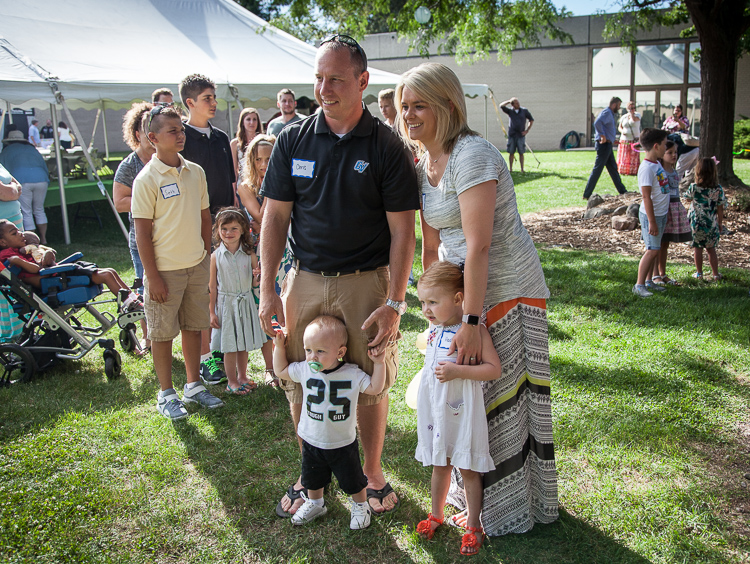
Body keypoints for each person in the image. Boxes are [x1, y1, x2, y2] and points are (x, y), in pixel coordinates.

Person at [259, 34, 418, 518]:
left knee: (369, 378)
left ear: (363, 81)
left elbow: (403, 233)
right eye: (318, 77)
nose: (324, 88)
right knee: (299, 377)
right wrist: (268, 288)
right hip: (304, 278)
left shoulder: (387, 145)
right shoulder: (293, 138)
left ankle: (370, 473)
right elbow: (274, 217)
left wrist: (394, 302)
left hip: (365, 281)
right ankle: (313, 479)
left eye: (336, 79)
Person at [397, 62, 558, 536]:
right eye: (404, 107)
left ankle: (511, 509)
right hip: (460, 296)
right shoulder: (425, 163)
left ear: (448, 105)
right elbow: (433, 246)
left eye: (419, 104)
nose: (409, 115)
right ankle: (473, 501)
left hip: (506, 290)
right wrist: (433, 309)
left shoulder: (473, 156)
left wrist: (471, 319)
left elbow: (479, 245)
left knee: (503, 401)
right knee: (468, 401)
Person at [132, 105, 224, 420]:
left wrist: (204, 253)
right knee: (161, 333)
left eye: (180, 129)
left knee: (194, 326)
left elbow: (204, 217)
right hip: (164, 271)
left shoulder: (195, 171)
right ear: (153, 138)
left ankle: (194, 386)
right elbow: (141, 233)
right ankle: (166, 394)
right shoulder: (146, 179)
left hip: (195, 265)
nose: (180, 134)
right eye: (173, 131)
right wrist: (152, 276)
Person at [414, 262, 501, 556]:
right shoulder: (433, 330)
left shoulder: (474, 334)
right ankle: (436, 514)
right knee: (441, 464)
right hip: (436, 411)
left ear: (458, 299)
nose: (426, 309)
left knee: (467, 466)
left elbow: (493, 370)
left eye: (432, 302)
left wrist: (458, 372)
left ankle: (474, 524)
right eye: (423, 302)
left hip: (462, 411)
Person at [272, 315, 386, 530]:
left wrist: (379, 364)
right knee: (312, 479)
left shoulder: (352, 373)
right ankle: (316, 503)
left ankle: (361, 506)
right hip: (311, 440)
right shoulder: (305, 370)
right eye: (308, 350)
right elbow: (281, 371)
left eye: (320, 351)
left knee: (353, 480)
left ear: (340, 352)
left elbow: (374, 388)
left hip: (342, 442)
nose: (312, 357)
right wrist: (279, 348)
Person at [178, 73, 236, 386]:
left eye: (214, 97)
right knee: (202, 294)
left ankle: (222, 351)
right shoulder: (181, 139)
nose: (214, 103)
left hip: (226, 227)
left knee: (223, 293)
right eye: (207, 99)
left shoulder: (222, 138)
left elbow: (231, 184)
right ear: (190, 103)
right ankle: (204, 359)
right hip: (195, 229)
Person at [237, 133, 289, 388]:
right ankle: (270, 368)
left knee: (287, 302)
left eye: (269, 158)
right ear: (251, 160)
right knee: (265, 305)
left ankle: (288, 361)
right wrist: (273, 185)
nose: (263, 163)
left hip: (287, 248)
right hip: (258, 253)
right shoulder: (245, 186)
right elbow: (261, 214)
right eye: (258, 159)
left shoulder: (285, 177)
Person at [0, 219, 143, 311]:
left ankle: (133, 299)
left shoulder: (21, 249)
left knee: (110, 270)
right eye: (14, 233)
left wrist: (44, 251)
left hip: (55, 275)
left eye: (19, 230)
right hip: (52, 281)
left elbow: (45, 256)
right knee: (105, 275)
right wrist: (18, 260)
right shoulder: (9, 255)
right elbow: (36, 269)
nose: (20, 234)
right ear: (3, 242)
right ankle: (130, 304)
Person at [209, 207, 265, 395]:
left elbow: (253, 283)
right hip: (227, 305)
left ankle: (242, 376)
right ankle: (231, 381)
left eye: (234, 229)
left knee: (243, 342)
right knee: (230, 345)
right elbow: (212, 287)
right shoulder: (216, 256)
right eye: (224, 229)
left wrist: (257, 277)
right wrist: (211, 311)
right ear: (217, 230)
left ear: (243, 230)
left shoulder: (249, 254)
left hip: (245, 301)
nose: (228, 233)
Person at [113, 101, 154, 353]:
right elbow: (119, 202)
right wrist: (153, 201)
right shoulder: (130, 165)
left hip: (171, 236)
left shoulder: (171, 159)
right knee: (146, 288)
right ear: (137, 134)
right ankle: (149, 341)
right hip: (143, 237)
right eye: (146, 127)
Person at [632, 128, 669, 298]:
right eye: (664, 144)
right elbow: (646, 197)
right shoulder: (646, 168)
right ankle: (639, 285)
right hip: (650, 216)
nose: (666, 146)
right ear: (656, 146)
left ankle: (648, 282)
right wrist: (652, 222)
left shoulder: (657, 164)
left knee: (654, 247)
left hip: (659, 214)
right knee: (652, 250)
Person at [652, 141, 691, 286]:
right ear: (662, 153)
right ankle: (655, 274)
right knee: (657, 243)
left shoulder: (674, 171)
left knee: (665, 243)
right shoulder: (659, 170)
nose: (674, 155)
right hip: (663, 209)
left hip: (673, 209)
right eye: (670, 152)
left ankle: (663, 273)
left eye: (676, 152)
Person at [0, 130, 50, 244]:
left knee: (26, 211)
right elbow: (44, 166)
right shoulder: (32, 149)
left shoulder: (6, 151)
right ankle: (43, 239)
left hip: (23, 180)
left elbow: (6, 174)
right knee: (39, 209)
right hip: (41, 178)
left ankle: (30, 242)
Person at [684, 157, 726, 282]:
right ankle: (715, 274)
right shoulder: (718, 189)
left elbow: (687, 198)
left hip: (696, 224)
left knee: (698, 249)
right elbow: (720, 207)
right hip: (711, 224)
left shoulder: (694, 187)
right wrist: (720, 223)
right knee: (711, 249)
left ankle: (699, 273)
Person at [583, 97, 628, 199]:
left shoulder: (610, 114)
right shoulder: (607, 112)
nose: (619, 108)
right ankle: (586, 194)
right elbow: (597, 122)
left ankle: (623, 191)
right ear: (614, 105)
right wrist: (602, 136)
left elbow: (605, 127)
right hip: (603, 146)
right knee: (598, 170)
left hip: (608, 145)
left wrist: (612, 139)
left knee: (613, 169)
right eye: (618, 105)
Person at [499, 97, 533, 173]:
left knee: (521, 152)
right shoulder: (510, 111)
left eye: (518, 102)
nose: (518, 104)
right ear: (513, 105)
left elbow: (531, 119)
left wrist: (527, 130)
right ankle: (510, 169)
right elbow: (501, 105)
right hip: (512, 134)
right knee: (511, 152)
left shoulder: (524, 111)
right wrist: (509, 101)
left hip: (520, 135)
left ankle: (522, 169)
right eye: (516, 103)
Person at [230, 107, 263, 180]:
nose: (252, 122)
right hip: (242, 184)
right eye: (248, 119)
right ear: (242, 122)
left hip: (259, 182)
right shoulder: (235, 143)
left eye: (254, 119)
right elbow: (234, 170)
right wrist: (233, 189)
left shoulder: (263, 142)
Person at [617, 101, 641, 176]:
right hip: (624, 138)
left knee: (633, 156)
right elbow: (619, 127)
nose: (632, 109)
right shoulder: (624, 117)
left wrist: (631, 114)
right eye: (630, 108)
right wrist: (622, 131)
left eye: (633, 108)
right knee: (625, 155)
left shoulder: (638, 115)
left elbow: (634, 120)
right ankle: (623, 170)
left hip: (634, 138)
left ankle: (633, 171)